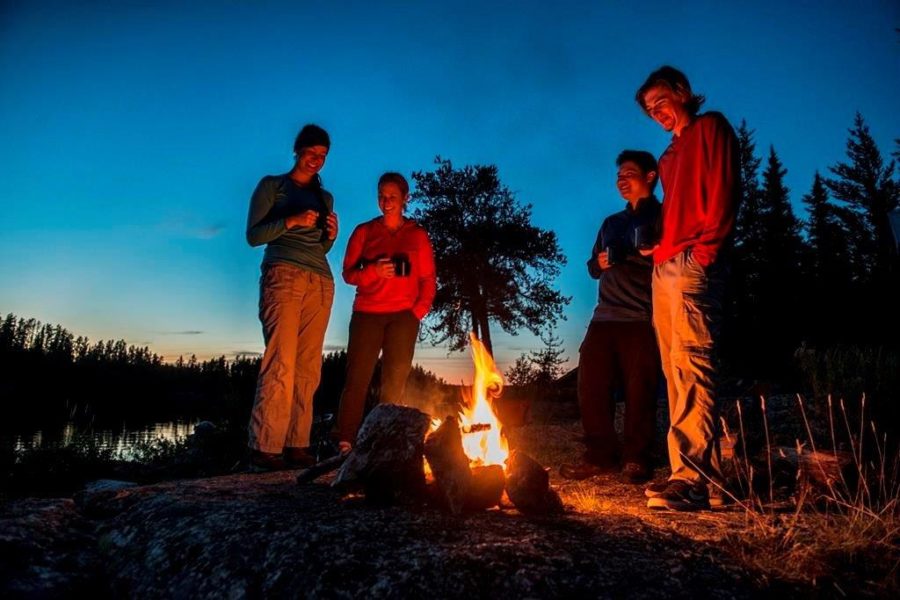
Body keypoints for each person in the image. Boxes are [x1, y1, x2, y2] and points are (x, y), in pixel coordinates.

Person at [635, 66, 740, 510]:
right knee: (675, 370)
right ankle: (693, 472)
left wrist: (706, 251)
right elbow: (680, 211)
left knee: (693, 361)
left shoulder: (711, 127)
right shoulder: (668, 158)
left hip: (694, 262)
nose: (656, 112)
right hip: (666, 265)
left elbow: (724, 192)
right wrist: (660, 249)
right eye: (648, 109)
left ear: (682, 92)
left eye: (660, 101)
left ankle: (694, 479)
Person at [560, 151, 662, 484]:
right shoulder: (611, 223)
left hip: (642, 315)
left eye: (629, 174)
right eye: (618, 176)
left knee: (639, 389)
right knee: (591, 383)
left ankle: (637, 457)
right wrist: (600, 264)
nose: (621, 180)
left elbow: (673, 258)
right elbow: (591, 267)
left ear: (649, 176)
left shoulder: (663, 216)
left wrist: (643, 255)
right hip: (605, 315)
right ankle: (600, 455)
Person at [245, 124, 339, 471]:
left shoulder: (324, 198)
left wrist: (330, 235)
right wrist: (292, 220)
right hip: (282, 274)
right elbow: (253, 236)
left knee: (308, 367)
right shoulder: (272, 186)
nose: (317, 160)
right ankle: (265, 447)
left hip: (320, 280)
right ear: (298, 150)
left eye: (324, 156)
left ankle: (298, 444)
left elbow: (322, 247)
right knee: (280, 361)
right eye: (313, 153)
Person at [334, 172, 436, 450]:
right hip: (368, 313)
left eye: (392, 196)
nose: (385, 201)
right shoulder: (364, 232)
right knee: (357, 378)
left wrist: (418, 312)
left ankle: (382, 442)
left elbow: (428, 278)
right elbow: (348, 273)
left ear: (405, 198)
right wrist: (373, 270)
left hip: (403, 317)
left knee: (394, 382)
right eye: (381, 196)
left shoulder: (417, 235)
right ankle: (346, 441)